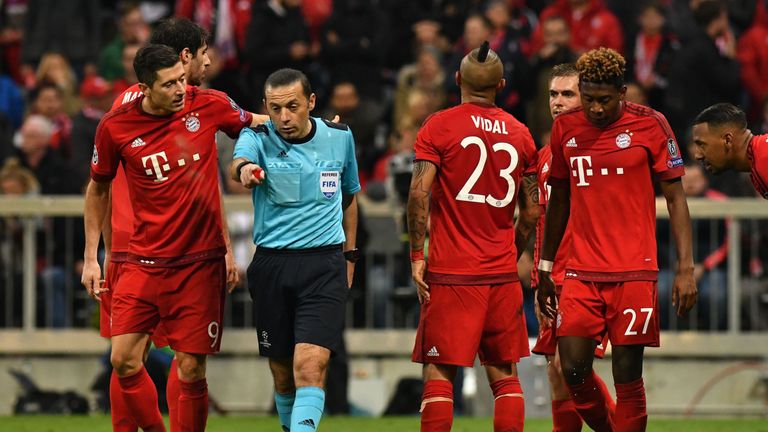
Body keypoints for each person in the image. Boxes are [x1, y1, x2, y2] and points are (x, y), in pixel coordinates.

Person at [99, 17, 269, 432]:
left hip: (166, 246)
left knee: (180, 356)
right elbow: (103, 183)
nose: (209, 62)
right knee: (129, 357)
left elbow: (200, 185)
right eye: (204, 53)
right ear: (186, 56)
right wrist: (101, 253)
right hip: (136, 246)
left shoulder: (203, 105)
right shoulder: (128, 113)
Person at [537, 47, 697, 432]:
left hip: (634, 273)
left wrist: (685, 268)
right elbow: (558, 199)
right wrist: (545, 265)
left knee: (628, 377)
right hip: (580, 271)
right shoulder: (566, 128)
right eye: (588, 98)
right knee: (572, 369)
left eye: (603, 100)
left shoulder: (652, 125)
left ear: (622, 92)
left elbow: (676, 198)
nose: (593, 108)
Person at [407, 42, 539, 432]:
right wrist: (510, 253)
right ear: (501, 83)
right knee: (504, 375)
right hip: (500, 272)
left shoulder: (439, 125)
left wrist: (418, 253)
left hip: (452, 272)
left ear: (457, 79)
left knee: (440, 373)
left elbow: (418, 193)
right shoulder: (521, 133)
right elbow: (531, 211)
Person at [229, 68, 360, 432]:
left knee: (310, 366)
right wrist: (247, 171)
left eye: (292, 106)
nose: (284, 117)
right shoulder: (256, 136)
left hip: (324, 264)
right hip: (272, 265)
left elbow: (350, 196)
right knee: (283, 375)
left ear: (311, 103)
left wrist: (350, 254)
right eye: (275, 108)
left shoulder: (339, 137)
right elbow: (238, 163)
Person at [530, 62, 615, 431]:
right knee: (555, 371)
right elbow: (543, 223)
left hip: (589, 274)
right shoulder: (547, 155)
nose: (558, 102)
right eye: (554, 94)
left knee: (570, 366)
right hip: (555, 276)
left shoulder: (600, 149)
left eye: (568, 94)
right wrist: (539, 277)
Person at [691, 102, 768, 199]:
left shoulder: (763, 158)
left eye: (702, 145)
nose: (697, 155)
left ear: (727, 140)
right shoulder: (757, 158)